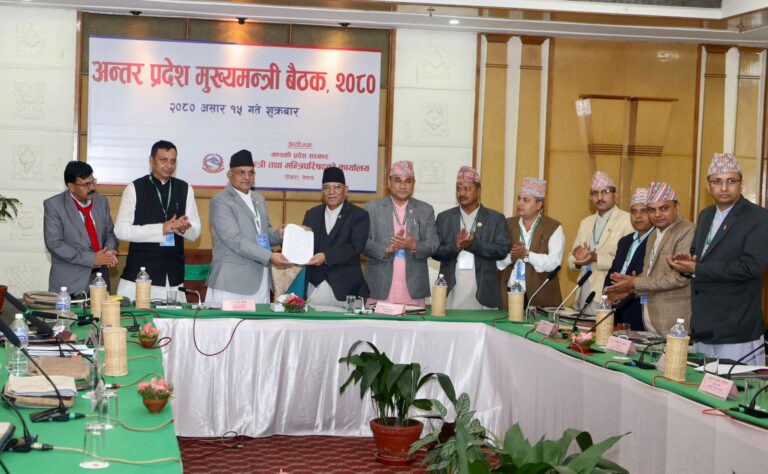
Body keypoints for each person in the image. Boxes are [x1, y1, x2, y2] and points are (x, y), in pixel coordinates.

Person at [669, 153, 768, 364]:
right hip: (704, 325)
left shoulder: (758, 217)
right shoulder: (705, 215)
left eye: (731, 181)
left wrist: (697, 268)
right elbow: (700, 255)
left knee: (735, 385)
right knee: (699, 384)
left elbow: (750, 267)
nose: (724, 188)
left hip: (736, 328)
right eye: (717, 181)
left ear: (741, 184)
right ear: (708, 186)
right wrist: (687, 263)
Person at [115, 140, 201, 302]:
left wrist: (183, 228)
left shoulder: (185, 188)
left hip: (173, 279)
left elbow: (196, 232)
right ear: (151, 161)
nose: (169, 165)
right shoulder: (134, 188)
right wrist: (161, 229)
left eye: (173, 161)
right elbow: (121, 230)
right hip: (139, 278)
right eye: (163, 160)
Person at [606, 183, 693, 334]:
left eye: (664, 208)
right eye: (652, 210)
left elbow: (680, 278)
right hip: (650, 319)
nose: (657, 214)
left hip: (673, 321)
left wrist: (635, 283)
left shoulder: (687, 231)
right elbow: (649, 275)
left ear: (677, 207)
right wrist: (630, 288)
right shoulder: (653, 235)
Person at [206, 150, 289, 304]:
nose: (247, 177)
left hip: (260, 280)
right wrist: (269, 256)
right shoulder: (221, 201)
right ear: (229, 174)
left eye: (251, 172)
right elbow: (234, 240)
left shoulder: (259, 199)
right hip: (232, 283)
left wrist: (279, 234)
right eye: (241, 172)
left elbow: (263, 234)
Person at [363, 160, 438, 307]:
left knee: (413, 322)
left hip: (413, 287)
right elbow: (362, 242)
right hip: (379, 285)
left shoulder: (425, 210)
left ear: (413, 184)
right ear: (389, 182)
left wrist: (413, 246)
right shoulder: (372, 208)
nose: (403, 186)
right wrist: (385, 250)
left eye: (408, 181)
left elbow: (433, 244)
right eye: (398, 180)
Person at [434, 166, 510, 310]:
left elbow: (502, 250)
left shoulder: (495, 219)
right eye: (458, 189)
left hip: (484, 290)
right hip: (452, 288)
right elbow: (435, 251)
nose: (462, 193)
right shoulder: (444, 218)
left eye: (467, 189)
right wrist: (456, 246)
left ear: (479, 190)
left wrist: (473, 245)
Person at [43, 161, 119, 295]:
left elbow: (110, 233)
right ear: (71, 186)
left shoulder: (101, 202)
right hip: (70, 283)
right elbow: (55, 244)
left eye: (93, 182)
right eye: (86, 184)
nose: (92, 187)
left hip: (100, 280)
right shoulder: (54, 205)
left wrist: (109, 251)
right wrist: (92, 258)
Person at [302, 167, 370, 307]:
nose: (331, 192)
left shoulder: (359, 215)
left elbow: (356, 247)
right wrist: (297, 235)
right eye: (327, 188)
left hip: (346, 289)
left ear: (346, 190)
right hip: (314, 286)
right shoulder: (312, 214)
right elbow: (304, 249)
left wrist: (326, 257)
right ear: (322, 191)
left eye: (337, 187)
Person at [567, 171, 632, 314]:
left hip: (609, 291)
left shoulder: (627, 221)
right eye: (595, 193)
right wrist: (579, 261)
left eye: (605, 192)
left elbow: (626, 263)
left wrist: (596, 258)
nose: (600, 197)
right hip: (584, 290)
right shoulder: (586, 222)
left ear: (615, 194)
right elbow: (571, 259)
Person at [497, 178, 563, 308]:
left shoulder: (553, 227)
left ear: (539, 205)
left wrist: (527, 255)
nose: (519, 203)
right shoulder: (507, 224)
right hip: (510, 293)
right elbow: (497, 261)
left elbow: (554, 262)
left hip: (541, 296)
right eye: (519, 199)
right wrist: (511, 257)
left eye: (526, 200)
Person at [601, 188, 654, 330]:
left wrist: (627, 290)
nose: (638, 216)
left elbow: (653, 280)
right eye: (633, 211)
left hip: (640, 312)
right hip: (616, 311)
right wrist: (608, 292)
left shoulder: (657, 241)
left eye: (643, 211)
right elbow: (613, 272)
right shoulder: (625, 241)